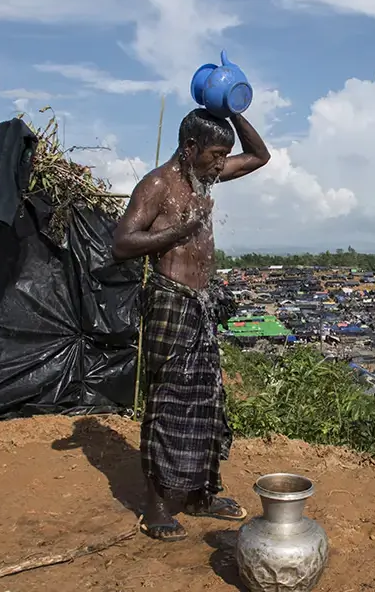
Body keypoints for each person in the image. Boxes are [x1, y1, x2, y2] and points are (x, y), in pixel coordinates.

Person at [112, 108, 270, 541]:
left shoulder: (205, 177)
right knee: (169, 404)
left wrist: (233, 111)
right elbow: (122, 243)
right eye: (216, 155)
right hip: (170, 302)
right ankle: (157, 505)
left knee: (205, 403)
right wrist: (181, 230)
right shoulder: (158, 185)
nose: (222, 164)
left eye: (224, 156)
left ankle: (200, 493)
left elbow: (259, 156)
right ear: (189, 149)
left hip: (200, 304)